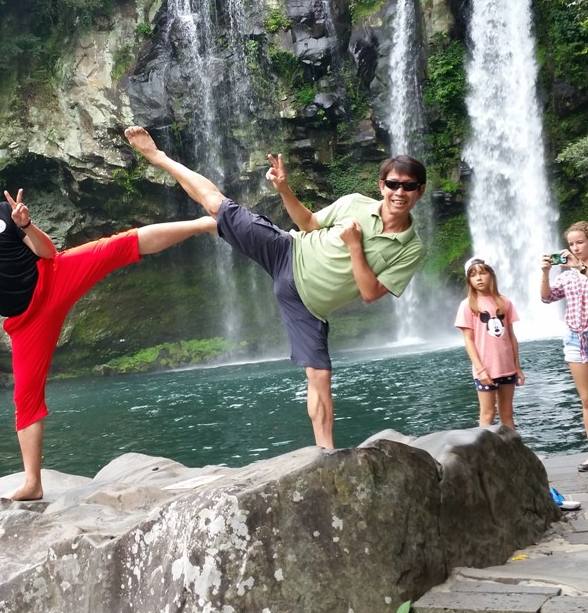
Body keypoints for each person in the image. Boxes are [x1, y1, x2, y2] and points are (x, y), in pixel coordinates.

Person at [0, 155, 216, 501]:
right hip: (26, 320)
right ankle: (32, 483)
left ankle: (204, 224)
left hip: (53, 277)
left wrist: (26, 225)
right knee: (26, 398)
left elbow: (48, 252)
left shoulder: (3, 212)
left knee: (118, 245)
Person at [124, 125, 427, 450]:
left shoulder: (411, 249)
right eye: (393, 184)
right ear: (382, 185)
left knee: (320, 377)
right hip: (286, 250)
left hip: (308, 308)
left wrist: (355, 245)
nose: (399, 192)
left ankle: (325, 454)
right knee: (215, 204)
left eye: (408, 186)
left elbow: (369, 293)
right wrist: (283, 188)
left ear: (420, 191)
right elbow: (308, 223)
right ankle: (159, 158)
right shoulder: (354, 203)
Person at [454, 257, 524, 429]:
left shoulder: (505, 302)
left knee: (507, 413)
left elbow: (511, 336)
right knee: (488, 413)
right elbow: (468, 340)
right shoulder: (467, 305)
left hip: (507, 367)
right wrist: (480, 370)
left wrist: (517, 367)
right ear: (469, 280)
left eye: (483, 273)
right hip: (485, 369)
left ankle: (513, 446)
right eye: (473, 275)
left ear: (491, 275)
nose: (478, 278)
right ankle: (483, 447)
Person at [541, 221, 588, 472]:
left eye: (580, 242)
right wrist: (545, 273)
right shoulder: (566, 276)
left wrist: (580, 267)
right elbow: (547, 297)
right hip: (574, 339)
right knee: (586, 399)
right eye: (571, 244)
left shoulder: (579, 270)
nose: (575, 248)